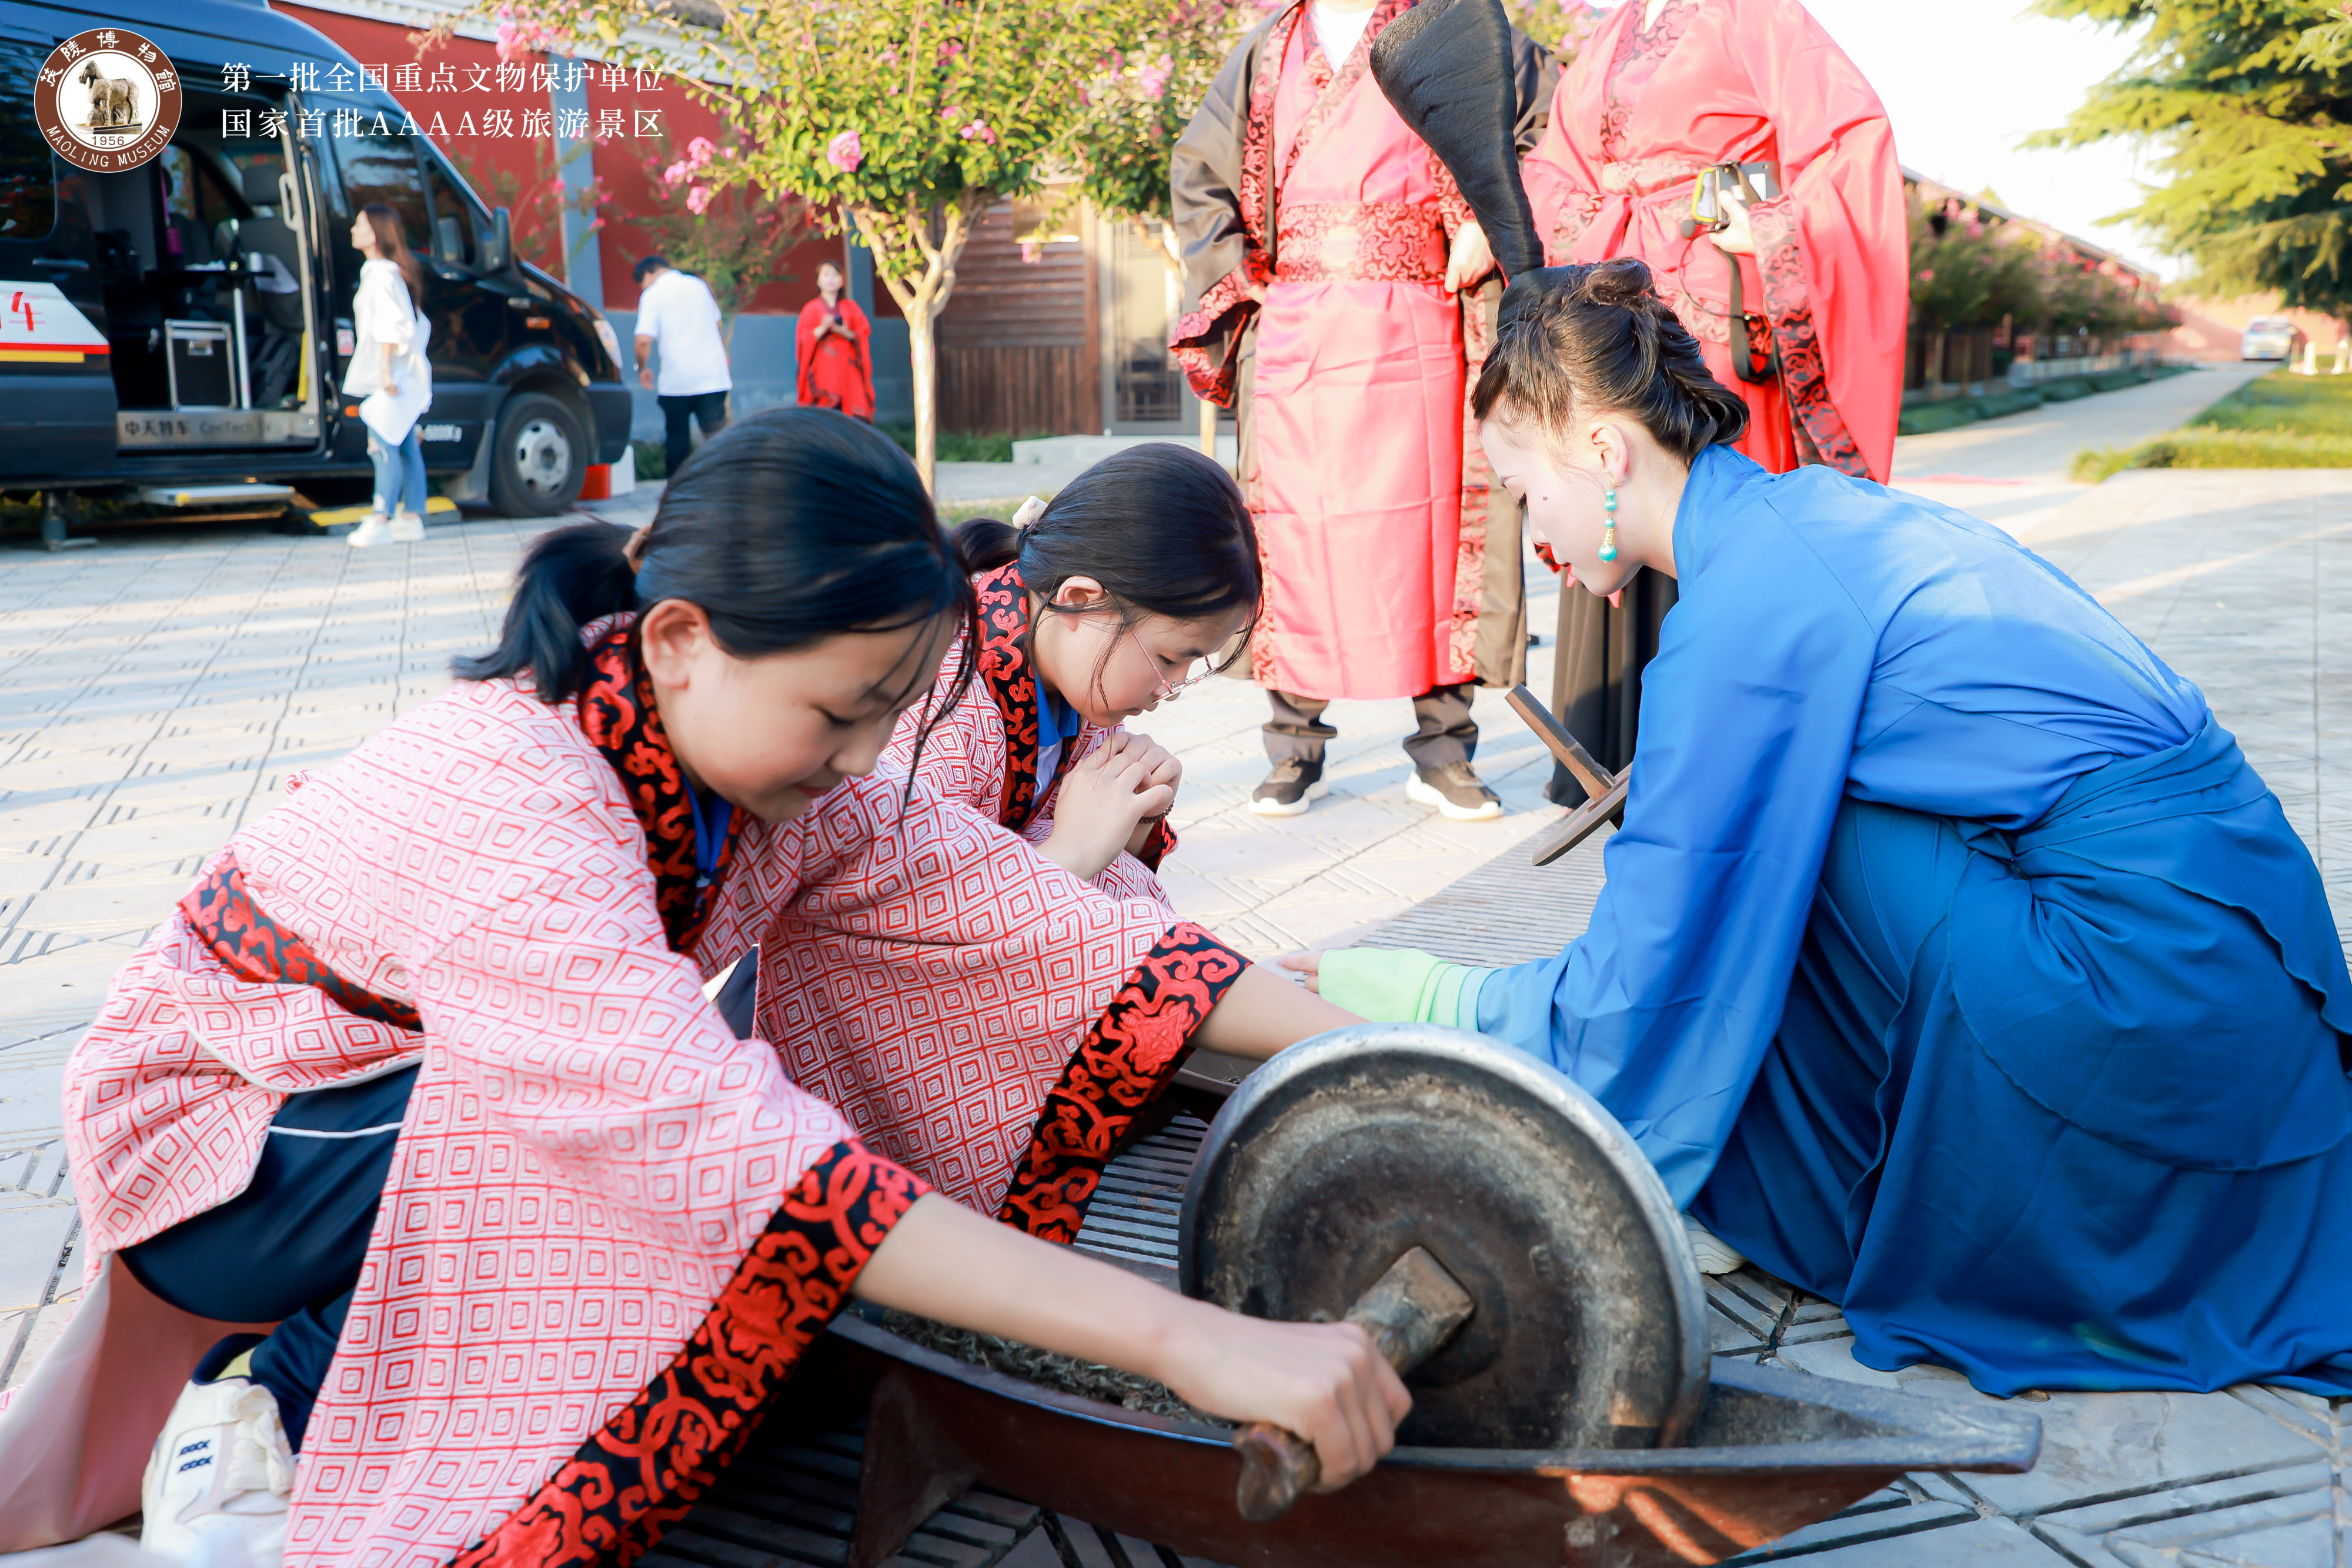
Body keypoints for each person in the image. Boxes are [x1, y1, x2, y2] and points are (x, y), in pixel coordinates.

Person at [0, 409, 1394, 1568]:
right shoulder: (523, 799)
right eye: (842, 713)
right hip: (229, 1135)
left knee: (762, 1080)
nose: (861, 759)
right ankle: (258, 1417)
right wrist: (1193, 1345)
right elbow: (717, 1142)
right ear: (675, 640)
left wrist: (1385, 1051)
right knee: (658, 1143)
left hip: (377, 1103)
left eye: (879, 716)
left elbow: (1039, 922)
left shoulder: (756, 766)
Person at [1297, 259, 2352, 1399]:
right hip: (2226, 948)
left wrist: (1420, 992)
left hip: (2147, 985)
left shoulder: (1749, 602)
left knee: (1763, 864)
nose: (1527, 527)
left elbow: (1646, 965)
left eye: (1517, 485)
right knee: (1768, 845)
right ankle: (1770, 1170)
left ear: (1601, 454)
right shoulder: (1792, 516)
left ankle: (1751, 1184)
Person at [1170, 0, 1558, 823]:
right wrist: (1241, 276)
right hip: (1298, 326)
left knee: (1434, 532)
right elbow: (1200, 173)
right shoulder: (1267, 52)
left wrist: (1491, 224)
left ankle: (1445, 749)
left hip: (1424, 320)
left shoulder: (1454, 27)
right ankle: (1293, 746)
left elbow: (1549, 133)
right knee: (1297, 534)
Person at [1518, 0, 1906, 811]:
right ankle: (1613, 757)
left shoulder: (1757, 15)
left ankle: (1728, 778)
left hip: (1704, 308)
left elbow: (1848, 144)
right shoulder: (1611, 32)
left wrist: (1770, 220)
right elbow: (1557, 168)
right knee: (1610, 495)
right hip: (1611, 307)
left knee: (1705, 519)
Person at [886, 444, 1259, 907]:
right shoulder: (940, 706)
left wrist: (1138, 819)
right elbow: (908, 912)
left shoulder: (1068, 675)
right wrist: (1073, 853)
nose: (1172, 689)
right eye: (1167, 659)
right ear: (1080, 599)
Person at [342, 203, 432, 550]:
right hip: (404, 374)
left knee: (381, 446)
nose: (353, 230)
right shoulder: (395, 272)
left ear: (376, 233)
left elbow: (390, 325)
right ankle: (410, 517)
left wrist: (383, 369)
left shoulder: (377, 273)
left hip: (389, 376)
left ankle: (380, 519)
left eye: (360, 225)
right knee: (405, 443)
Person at [633, 253, 733, 478]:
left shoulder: (653, 294)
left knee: (678, 443)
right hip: (712, 377)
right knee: (717, 439)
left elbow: (643, 340)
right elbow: (717, 323)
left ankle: (678, 494)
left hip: (676, 381)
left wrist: (641, 368)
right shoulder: (698, 285)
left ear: (648, 276)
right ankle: (725, 487)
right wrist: (723, 357)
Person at [797, 259, 876, 420]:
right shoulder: (811, 309)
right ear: (818, 280)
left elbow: (862, 334)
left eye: (835, 275)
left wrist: (844, 332)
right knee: (826, 415)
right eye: (826, 275)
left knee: (854, 418)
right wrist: (822, 329)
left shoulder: (851, 307)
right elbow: (803, 341)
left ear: (842, 280)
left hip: (848, 369)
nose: (831, 279)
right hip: (823, 371)